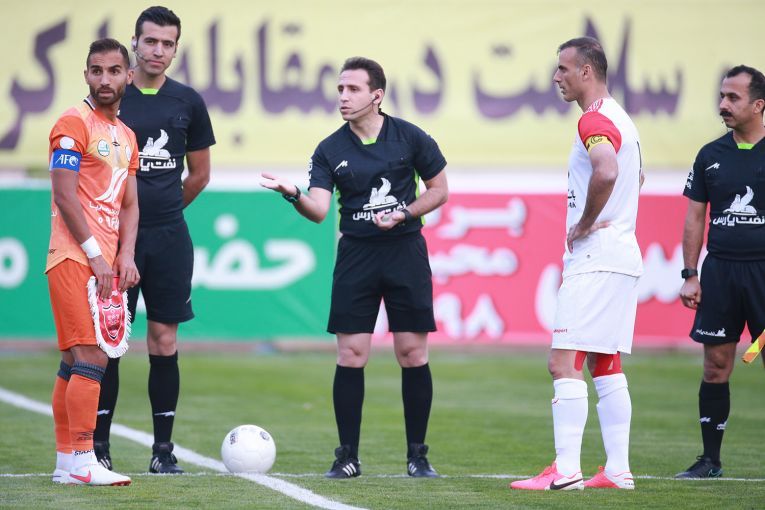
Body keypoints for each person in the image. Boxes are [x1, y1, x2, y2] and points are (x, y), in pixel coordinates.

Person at [260, 56, 448, 478]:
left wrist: (403, 213)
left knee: (412, 353)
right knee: (351, 354)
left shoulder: (410, 137)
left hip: (405, 251)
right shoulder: (330, 149)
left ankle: (418, 457)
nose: (343, 97)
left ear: (376, 95)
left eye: (353, 89)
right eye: (340, 89)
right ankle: (347, 457)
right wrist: (292, 193)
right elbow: (319, 210)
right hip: (356, 256)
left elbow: (439, 190)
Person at [511, 37, 643, 491]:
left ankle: (565, 471)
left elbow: (606, 170)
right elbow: (636, 176)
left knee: (562, 362)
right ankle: (618, 470)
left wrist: (585, 223)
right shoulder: (623, 118)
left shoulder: (594, 119)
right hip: (622, 254)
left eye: (564, 69)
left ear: (587, 71)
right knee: (605, 362)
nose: (556, 77)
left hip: (597, 257)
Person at [93, 5, 215, 474]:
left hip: (168, 239)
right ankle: (98, 447)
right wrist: (122, 221)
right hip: (112, 241)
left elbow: (199, 174)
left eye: (167, 43)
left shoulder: (188, 102)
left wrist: (158, 213)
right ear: (135, 43)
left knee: (163, 341)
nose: (158, 50)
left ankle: (163, 451)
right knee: (110, 343)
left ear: (176, 49)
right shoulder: (112, 97)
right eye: (150, 41)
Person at [47, 38, 140, 486]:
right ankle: (86, 458)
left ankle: (67, 462)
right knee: (92, 356)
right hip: (74, 256)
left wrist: (125, 254)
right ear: (86, 74)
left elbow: (130, 204)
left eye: (114, 71)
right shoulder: (72, 122)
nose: (105, 79)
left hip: (104, 261)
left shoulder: (127, 136)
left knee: (73, 360)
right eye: (97, 70)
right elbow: (64, 193)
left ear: (129, 76)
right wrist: (95, 255)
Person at [676, 65, 765, 479]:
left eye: (733, 98)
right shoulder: (709, 155)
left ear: (759, 105)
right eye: (722, 96)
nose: (723, 104)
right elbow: (695, 217)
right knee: (715, 366)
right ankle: (709, 460)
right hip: (721, 274)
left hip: (763, 275)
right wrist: (689, 273)